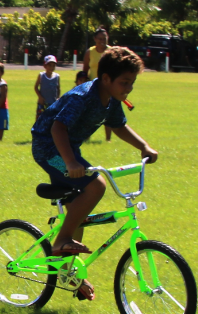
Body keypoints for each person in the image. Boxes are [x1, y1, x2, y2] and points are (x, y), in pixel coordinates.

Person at [31, 47, 157, 299]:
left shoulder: (111, 99)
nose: (129, 88)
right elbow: (57, 129)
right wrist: (70, 162)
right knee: (97, 185)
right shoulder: (84, 96)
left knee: (79, 214)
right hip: (49, 148)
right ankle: (61, 240)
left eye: (132, 82)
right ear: (106, 78)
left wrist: (143, 146)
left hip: (67, 149)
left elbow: (118, 126)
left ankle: (70, 274)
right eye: (124, 82)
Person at [82, 28, 113, 140]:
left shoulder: (111, 51)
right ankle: (86, 136)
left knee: (108, 112)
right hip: (92, 87)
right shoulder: (90, 52)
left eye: (104, 38)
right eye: (99, 38)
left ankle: (108, 139)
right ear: (95, 39)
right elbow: (84, 71)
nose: (102, 41)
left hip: (108, 86)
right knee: (89, 112)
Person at [35, 55, 60, 121]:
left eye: (53, 65)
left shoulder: (57, 76)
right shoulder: (41, 75)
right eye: (49, 65)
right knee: (39, 121)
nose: (52, 67)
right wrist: (40, 97)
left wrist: (58, 98)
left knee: (51, 122)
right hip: (42, 103)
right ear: (45, 66)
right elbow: (36, 87)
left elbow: (58, 88)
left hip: (53, 103)